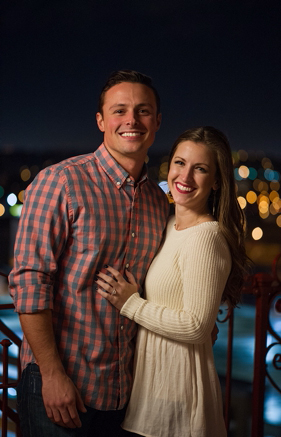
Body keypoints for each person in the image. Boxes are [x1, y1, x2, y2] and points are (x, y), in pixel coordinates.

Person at [9, 70, 167, 436]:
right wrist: (51, 375)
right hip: (61, 385)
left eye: (143, 111)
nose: (131, 120)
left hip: (122, 393)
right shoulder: (61, 181)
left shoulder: (159, 203)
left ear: (157, 121)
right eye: (120, 110)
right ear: (101, 121)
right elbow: (30, 281)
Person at [96, 126, 247, 437]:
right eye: (180, 163)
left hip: (180, 401)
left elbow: (197, 326)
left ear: (217, 181)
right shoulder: (168, 227)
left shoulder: (206, 237)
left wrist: (131, 304)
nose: (185, 177)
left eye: (201, 169)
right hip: (151, 397)